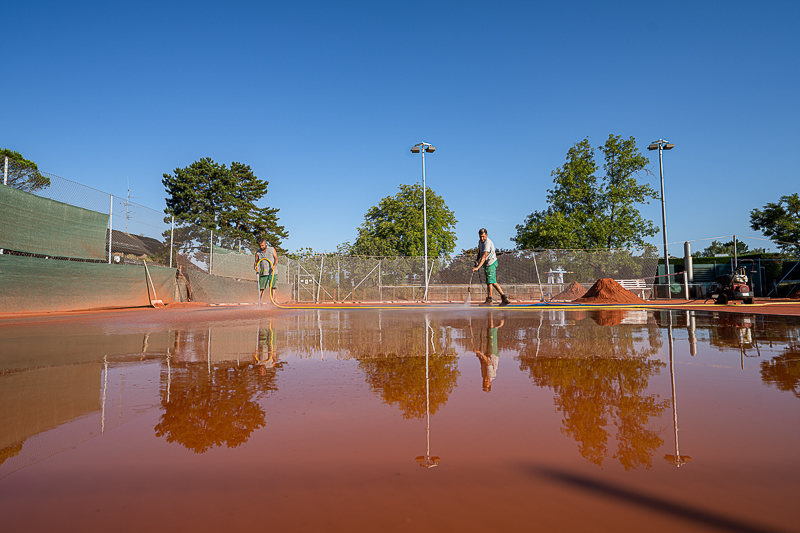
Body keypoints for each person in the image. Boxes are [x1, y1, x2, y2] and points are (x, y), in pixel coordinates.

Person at [472, 228, 510, 306]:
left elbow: (484, 256)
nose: (482, 238)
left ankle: (489, 300)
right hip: (488, 263)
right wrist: (477, 260)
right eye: (480, 237)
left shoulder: (487, 242)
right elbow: (480, 252)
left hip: (491, 263)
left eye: (483, 236)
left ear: (486, 235)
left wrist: (478, 267)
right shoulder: (480, 242)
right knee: (493, 282)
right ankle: (504, 298)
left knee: (489, 282)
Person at [473, 313, 504, 392]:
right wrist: (480, 353)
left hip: (488, 354)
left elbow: (482, 364)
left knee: (490, 331)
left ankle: (496, 322)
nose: (485, 380)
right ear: (490, 383)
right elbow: (487, 362)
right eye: (487, 382)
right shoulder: (490, 375)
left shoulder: (484, 376)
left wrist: (479, 356)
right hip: (492, 354)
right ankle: (491, 311)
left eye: (484, 382)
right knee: (490, 329)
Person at [254, 238, 278, 305]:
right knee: (261, 288)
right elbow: (256, 262)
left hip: (272, 272)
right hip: (263, 272)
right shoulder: (258, 252)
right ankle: (260, 302)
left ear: (265, 244)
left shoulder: (271, 249)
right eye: (260, 246)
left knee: (273, 287)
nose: (261, 247)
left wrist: (274, 266)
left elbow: (276, 259)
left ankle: (273, 302)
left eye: (262, 245)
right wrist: (255, 267)